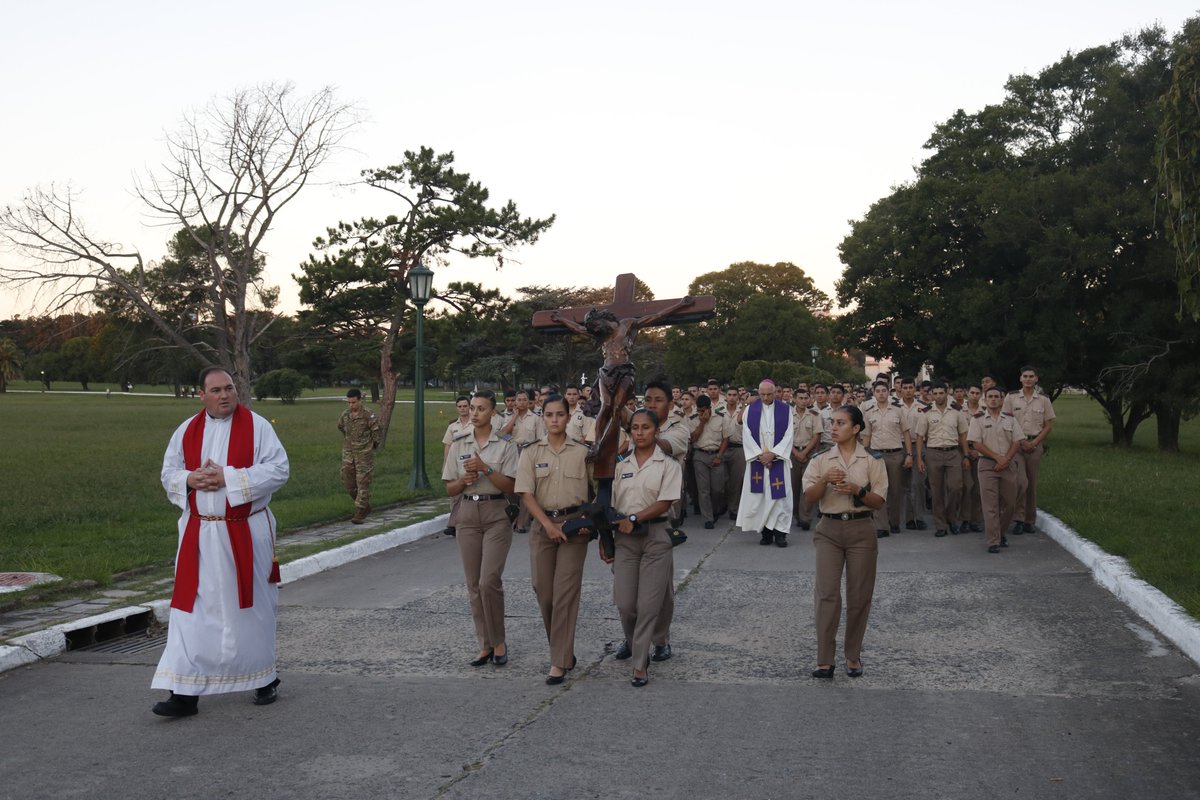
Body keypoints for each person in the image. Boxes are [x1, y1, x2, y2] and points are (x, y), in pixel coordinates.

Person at [151, 367, 290, 717]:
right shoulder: (186, 431)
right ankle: (184, 693)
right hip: (199, 534)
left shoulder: (258, 427)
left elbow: (278, 470)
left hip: (244, 531)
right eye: (216, 390)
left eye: (229, 388)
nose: (225, 395)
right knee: (191, 612)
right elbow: (169, 473)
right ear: (202, 395)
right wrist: (191, 478)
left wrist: (227, 476)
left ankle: (263, 677)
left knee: (250, 607)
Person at [802, 405, 887, 679]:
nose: (834, 428)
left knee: (859, 596)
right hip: (829, 529)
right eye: (832, 423)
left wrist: (857, 490)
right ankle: (824, 660)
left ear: (856, 428)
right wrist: (826, 479)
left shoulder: (873, 460)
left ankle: (853, 655)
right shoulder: (821, 459)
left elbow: (880, 501)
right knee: (827, 594)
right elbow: (810, 497)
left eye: (840, 423)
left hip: (862, 529)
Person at [601, 408, 682, 687]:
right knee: (625, 603)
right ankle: (634, 641)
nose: (640, 433)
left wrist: (635, 518)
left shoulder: (668, 465)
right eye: (635, 428)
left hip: (656, 535)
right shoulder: (620, 464)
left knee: (648, 604)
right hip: (625, 539)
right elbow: (609, 504)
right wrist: (607, 536)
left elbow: (665, 502)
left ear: (656, 430)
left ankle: (639, 663)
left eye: (646, 428)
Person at [515, 394, 592, 684]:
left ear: (568, 416)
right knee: (544, 592)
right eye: (549, 415)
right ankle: (562, 650)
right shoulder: (532, 452)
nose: (555, 420)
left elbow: (596, 492)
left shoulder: (583, 452)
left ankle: (558, 661)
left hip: (573, 529)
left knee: (564, 595)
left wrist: (589, 524)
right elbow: (525, 492)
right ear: (543, 417)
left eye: (560, 414)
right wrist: (546, 525)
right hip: (543, 526)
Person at [443, 390, 519, 667]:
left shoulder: (506, 445)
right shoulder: (458, 443)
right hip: (467, 514)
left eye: (481, 409)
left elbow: (513, 487)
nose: (474, 413)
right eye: (472, 408)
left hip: (496, 512)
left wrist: (486, 469)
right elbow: (449, 486)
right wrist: (464, 480)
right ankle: (484, 643)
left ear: (493, 413)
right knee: (474, 584)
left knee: (489, 581)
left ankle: (499, 641)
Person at [736, 379, 795, 547]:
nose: (766, 397)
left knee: (780, 498)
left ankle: (781, 533)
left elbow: (789, 434)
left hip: (778, 461)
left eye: (769, 394)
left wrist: (774, 454)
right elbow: (746, 434)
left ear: (775, 392)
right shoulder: (750, 410)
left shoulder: (786, 410)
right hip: (758, 462)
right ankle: (766, 533)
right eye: (762, 394)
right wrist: (760, 455)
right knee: (760, 497)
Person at [969, 387, 1023, 553]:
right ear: (985, 400)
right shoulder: (977, 419)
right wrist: (996, 457)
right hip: (987, 465)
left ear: (1001, 400)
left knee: (1010, 503)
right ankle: (993, 541)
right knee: (990, 505)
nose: (993, 399)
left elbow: (1017, 441)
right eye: (990, 397)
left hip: (1007, 464)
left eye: (996, 397)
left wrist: (1005, 459)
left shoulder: (1010, 419)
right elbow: (976, 444)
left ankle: (1000, 532)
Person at [1003, 366, 1056, 535]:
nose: (1028, 379)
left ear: (1036, 379)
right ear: (1020, 379)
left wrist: (1034, 443)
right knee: (1020, 482)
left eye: (1031, 376)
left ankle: (1029, 520)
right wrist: (1021, 441)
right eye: (1025, 376)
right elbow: (1005, 422)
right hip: (1016, 446)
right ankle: (1018, 518)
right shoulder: (1011, 398)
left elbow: (1048, 426)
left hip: (1035, 445)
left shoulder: (1043, 400)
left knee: (1031, 484)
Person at [914, 381, 970, 537]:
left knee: (956, 487)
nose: (938, 396)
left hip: (953, 453)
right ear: (931, 395)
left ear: (947, 393)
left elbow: (962, 435)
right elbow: (919, 437)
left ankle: (951, 518)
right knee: (936, 491)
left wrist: (965, 455)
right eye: (935, 393)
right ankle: (941, 525)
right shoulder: (926, 412)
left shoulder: (957, 411)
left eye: (941, 393)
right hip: (933, 453)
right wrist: (919, 459)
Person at [861, 380, 912, 538]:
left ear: (888, 393)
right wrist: (863, 455)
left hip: (895, 454)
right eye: (878, 391)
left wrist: (909, 454)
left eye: (884, 390)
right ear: (874, 393)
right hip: (876, 455)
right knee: (878, 490)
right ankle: (881, 525)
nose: (881, 393)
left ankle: (894, 522)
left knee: (895, 490)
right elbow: (867, 436)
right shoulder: (869, 412)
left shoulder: (898, 411)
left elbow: (906, 433)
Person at [338, 388, 382, 524]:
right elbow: (340, 427)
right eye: (349, 402)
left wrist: (369, 447)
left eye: (354, 402)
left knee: (362, 483)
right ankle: (365, 505)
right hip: (348, 454)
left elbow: (377, 434)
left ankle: (360, 510)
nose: (351, 405)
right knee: (348, 483)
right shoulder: (345, 415)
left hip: (364, 455)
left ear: (360, 400)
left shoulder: (369, 415)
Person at [690, 393, 731, 529]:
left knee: (717, 489)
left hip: (716, 454)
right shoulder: (694, 419)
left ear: (709, 408)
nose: (701, 412)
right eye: (699, 410)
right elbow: (693, 439)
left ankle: (715, 510)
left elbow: (726, 438)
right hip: (700, 455)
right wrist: (702, 422)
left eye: (703, 410)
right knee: (703, 490)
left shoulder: (721, 418)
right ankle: (707, 518)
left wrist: (719, 456)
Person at [790, 387, 821, 531]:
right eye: (800, 398)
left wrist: (805, 452)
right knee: (794, 486)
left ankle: (805, 517)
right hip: (792, 453)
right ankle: (796, 514)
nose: (803, 401)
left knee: (807, 486)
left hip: (808, 454)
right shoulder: (788, 415)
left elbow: (816, 436)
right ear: (794, 399)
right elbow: (785, 436)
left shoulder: (814, 415)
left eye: (805, 398)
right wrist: (796, 453)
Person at [441, 396, 473, 536]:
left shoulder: (475, 423)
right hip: (456, 462)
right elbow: (448, 445)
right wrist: (445, 464)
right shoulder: (453, 426)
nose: (462, 409)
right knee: (455, 496)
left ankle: (461, 523)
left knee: (469, 493)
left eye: (465, 406)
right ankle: (453, 524)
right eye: (459, 406)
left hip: (471, 461)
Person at [723, 387, 746, 520]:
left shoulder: (743, 411)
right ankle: (721, 505)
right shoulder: (718, 412)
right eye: (729, 395)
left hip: (738, 448)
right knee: (721, 482)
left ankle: (733, 508)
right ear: (725, 396)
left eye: (734, 395)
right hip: (722, 448)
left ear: (738, 397)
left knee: (736, 482)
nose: (731, 397)